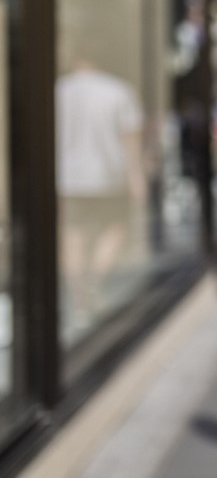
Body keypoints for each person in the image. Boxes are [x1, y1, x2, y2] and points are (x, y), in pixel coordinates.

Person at [56, 63, 146, 331]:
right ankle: (94, 282)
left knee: (74, 235)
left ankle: (80, 300)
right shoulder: (117, 90)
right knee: (116, 229)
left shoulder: (58, 90)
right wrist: (136, 177)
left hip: (69, 179)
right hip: (108, 177)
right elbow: (130, 140)